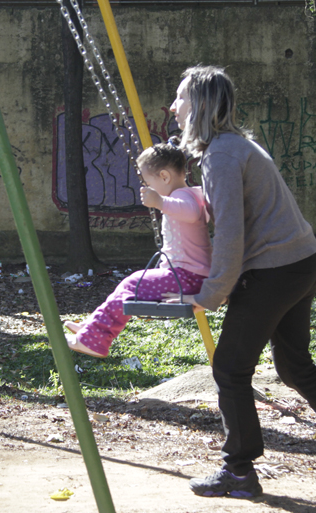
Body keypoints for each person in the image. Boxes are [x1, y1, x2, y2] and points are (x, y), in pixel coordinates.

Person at [168, 66, 316, 498]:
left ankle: (239, 472)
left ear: (201, 106)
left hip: (275, 270)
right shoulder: (236, 146)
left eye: (180, 99)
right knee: (293, 366)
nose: (173, 107)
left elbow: (231, 233)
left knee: (230, 368)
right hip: (302, 262)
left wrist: (211, 293)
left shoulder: (223, 155)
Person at [65, 138, 212, 358]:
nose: (148, 187)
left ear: (164, 176)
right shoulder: (194, 193)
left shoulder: (181, 197)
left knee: (132, 282)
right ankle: (91, 327)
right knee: (129, 284)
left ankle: (93, 340)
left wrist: (160, 202)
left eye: (148, 182)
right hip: (190, 276)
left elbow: (190, 212)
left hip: (187, 278)